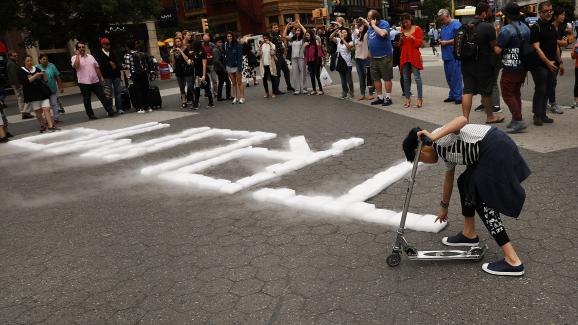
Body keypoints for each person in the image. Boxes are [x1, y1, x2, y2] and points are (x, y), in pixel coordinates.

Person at [403, 115, 530, 276]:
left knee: (482, 198)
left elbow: (462, 120)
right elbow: (448, 179)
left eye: (420, 159)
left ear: (420, 150)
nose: (425, 162)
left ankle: (513, 261)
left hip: (495, 147)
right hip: (490, 151)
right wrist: (444, 207)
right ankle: (469, 234)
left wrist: (434, 136)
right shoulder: (442, 152)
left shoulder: (439, 139)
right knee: (465, 182)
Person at [459, 2, 503, 124]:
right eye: (488, 11)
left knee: (467, 91)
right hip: (483, 65)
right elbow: (494, 47)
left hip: (467, 64)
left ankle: (465, 119)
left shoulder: (466, 25)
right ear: (484, 13)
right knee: (486, 92)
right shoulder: (488, 27)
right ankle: (490, 117)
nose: (489, 13)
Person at [494, 2, 530, 133]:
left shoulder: (506, 29)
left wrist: (496, 36)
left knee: (507, 94)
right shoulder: (526, 28)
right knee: (516, 93)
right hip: (523, 66)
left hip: (510, 66)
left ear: (507, 15)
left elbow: (497, 50)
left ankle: (518, 120)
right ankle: (516, 119)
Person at [530, 1, 562, 126]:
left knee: (548, 88)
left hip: (551, 63)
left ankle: (543, 114)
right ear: (539, 13)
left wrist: (560, 62)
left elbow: (555, 46)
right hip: (539, 64)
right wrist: (547, 62)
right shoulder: (536, 27)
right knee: (541, 88)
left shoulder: (552, 26)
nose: (549, 13)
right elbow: (537, 48)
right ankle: (537, 115)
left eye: (550, 11)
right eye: (545, 11)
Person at [71, 41, 115, 119]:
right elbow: (76, 66)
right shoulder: (74, 57)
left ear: (85, 48)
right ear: (77, 49)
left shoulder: (90, 56)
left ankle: (110, 110)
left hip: (95, 80)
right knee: (87, 100)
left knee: (102, 96)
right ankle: (91, 115)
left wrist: (101, 77)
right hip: (83, 82)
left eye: (83, 47)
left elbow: (97, 67)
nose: (81, 48)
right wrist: (77, 55)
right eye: (79, 47)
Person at [20, 55, 58, 132]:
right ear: (24, 62)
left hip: (42, 91)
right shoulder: (21, 70)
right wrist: (36, 75)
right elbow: (25, 82)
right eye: (28, 61)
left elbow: (45, 80)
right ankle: (42, 125)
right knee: (38, 111)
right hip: (32, 94)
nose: (30, 62)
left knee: (46, 108)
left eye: (31, 60)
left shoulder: (36, 68)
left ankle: (50, 125)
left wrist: (43, 75)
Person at [363, 10, 393, 106]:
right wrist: (368, 51)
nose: (368, 18)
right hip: (374, 57)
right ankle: (380, 97)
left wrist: (374, 25)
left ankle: (388, 97)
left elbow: (383, 34)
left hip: (384, 56)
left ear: (375, 18)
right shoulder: (370, 27)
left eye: (369, 17)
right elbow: (370, 39)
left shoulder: (384, 23)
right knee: (375, 78)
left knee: (387, 78)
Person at [438, 9, 463, 105]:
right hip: (446, 55)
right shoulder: (444, 26)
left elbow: (459, 38)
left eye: (443, 19)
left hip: (454, 55)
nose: (442, 21)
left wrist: (446, 42)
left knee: (456, 76)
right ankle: (452, 95)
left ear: (448, 16)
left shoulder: (456, 24)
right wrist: (440, 40)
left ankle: (458, 96)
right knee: (449, 77)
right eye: (441, 20)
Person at [93, 38, 124, 114]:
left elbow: (117, 62)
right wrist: (109, 63)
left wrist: (118, 69)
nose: (108, 45)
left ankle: (119, 108)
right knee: (108, 93)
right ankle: (110, 109)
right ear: (103, 45)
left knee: (118, 92)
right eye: (106, 44)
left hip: (115, 75)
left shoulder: (113, 52)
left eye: (109, 44)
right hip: (107, 76)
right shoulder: (99, 54)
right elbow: (99, 65)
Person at [546, 8, 568, 114]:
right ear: (555, 16)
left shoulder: (562, 28)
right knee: (550, 82)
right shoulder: (550, 27)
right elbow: (557, 44)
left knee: (552, 82)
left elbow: (565, 43)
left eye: (564, 15)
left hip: (557, 57)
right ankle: (551, 104)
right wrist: (555, 41)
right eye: (561, 15)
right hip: (549, 58)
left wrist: (555, 40)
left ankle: (548, 103)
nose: (563, 17)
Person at [399, 14, 424, 108]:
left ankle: (419, 98)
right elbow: (401, 45)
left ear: (410, 20)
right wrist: (401, 40)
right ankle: (407, 98)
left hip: (414, 55)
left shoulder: (417, 29)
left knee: (417, 78)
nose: (405, 24)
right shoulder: (402, 30)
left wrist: (411, 37)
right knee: (405, 78)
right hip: (405, 55)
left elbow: (420, 43)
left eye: (407, 21)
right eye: (403, 22)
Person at [124, 41, 151, 113]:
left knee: (138, 90)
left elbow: (128, 68)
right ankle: (148, 107)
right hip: (144, 73)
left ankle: (140, 108)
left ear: (127, 47)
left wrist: (128, 78)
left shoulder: (127, 55)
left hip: (135, 74)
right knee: (145, 89)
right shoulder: (142, 54)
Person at [36, 53, 64, 124]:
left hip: (52, 88)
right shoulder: (37, 67)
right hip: (43, 90)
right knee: (45, 106)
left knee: (54, 104)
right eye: (43, 59)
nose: (45, 60)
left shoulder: (52, 66)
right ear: (40, 60)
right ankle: (47, 119)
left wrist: (60, 86)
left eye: (46, 59)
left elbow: (57, 76)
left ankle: (56, 118)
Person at [7, 51, 33, 119]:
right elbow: (14, 75)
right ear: (10, 56)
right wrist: (17, 85)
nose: (16, 57)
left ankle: (25, 113)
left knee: (21, 98)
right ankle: (25, 112)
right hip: (17, 83)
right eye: (14, 56)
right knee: (23, 98)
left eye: (16, 55)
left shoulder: (13, 63)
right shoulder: (11, 64)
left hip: (17, 83)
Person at [284, 21, 307, 95]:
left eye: (299, 30)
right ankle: (297, 89)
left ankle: (303, 89)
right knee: (295, 74)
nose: (297, 31)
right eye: (296, 30)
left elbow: (306, 32)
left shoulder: (303, 39)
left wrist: (300, 24)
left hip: (301, 58)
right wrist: (287, 26)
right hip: (293, 58)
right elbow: (284, 35)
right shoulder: (292, 38)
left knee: (303, 73)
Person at [330, 28, 354, 99]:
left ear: (348, 33)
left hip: (347, 63)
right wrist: (336, 31)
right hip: (340, 62)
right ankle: (344, 92)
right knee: (343, 80)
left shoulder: (350, 41)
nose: (343, 33)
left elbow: (349, 47)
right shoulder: (338, 40)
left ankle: (351, 93)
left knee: (349, 80)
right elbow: (330, 37)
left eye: (345, 32)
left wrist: (343, 39)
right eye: (342, 32)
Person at [354, 18, 374, 100]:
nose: (359, 27)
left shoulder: (367, 35)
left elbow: (370, 28)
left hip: (366, 59)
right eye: (359, 26)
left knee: (369, 77)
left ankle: (370, 93)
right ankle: (362, 94)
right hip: (358, 59)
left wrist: (364, 21)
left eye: (361, 26)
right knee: (361, 77)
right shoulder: (357, 36)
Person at [170, 37, 194, 108]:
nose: (178, 43)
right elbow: (173, 63)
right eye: (176, 42)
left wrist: (180, 51)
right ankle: (184, 101)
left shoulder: (186, 49)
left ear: (181, 42)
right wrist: (172, 54)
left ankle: (195, 99)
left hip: (186, 70)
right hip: (179, 70)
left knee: (190, 85)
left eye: (179, 41)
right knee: (181, 87)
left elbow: (187, 59)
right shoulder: (174, 51)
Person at [271, 23, 294, 93]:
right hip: (277, 57)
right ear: (272, 29)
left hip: (281, 56)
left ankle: (289, 86)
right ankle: (276, 89)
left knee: (287, 71)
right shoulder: (272, 37)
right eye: (274, 27)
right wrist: (274, 56)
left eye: (277, 27)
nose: (276, 28)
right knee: (278, 74)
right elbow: (271, 47)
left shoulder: (278, 36)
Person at [191, 41, 214, 109]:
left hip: (202, 74)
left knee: (207, 88)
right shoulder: (195, 54)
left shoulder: (203, 53)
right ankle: (196, 104)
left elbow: (204, 64)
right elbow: (194, 64)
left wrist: (204, 75)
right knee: (197, 89)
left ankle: (211, 102)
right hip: (197, 75)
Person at [224, 32, 245, 104]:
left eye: (230, 36)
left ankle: (242, 97)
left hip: (236, 67)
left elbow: (240, 57)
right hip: (229, 66)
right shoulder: (226, 45)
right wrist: (225, 66)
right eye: (228, 36)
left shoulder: (238, 45)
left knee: (239, 82)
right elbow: (225, 56)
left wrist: (239, 67)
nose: (229, 37)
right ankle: (235, 97)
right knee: (233, 83)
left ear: (233, 37)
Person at [304, 30, 324, 95]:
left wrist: (321, 61)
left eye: (308, 35)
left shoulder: (316, 41)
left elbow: (319, 51)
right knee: (312, 76)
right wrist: (304, 46)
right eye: (306, 35)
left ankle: (321, 90)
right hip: (310, 61)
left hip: (316, 61)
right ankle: (314, 90)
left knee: (317, 76)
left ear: (311, 35)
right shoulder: (306, 43)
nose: (307, 37)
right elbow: (305, 53)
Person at [258, 34, 278, 98]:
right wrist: (260, 46)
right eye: (264, 38)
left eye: (266, 38)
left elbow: (273, 53)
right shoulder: (261, 45)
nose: (265, 39)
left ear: (269, 38)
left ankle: (273, 92)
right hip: (263, 65)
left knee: (273, 79)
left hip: (271, 65)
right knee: (264, 79)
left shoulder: (272, 45)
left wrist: (269, 44)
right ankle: (267, 93)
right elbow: (258, 54)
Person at [572, 40, 578, 109]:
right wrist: (575, 52)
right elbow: (573, 57)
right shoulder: (576, 46)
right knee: (577, 84)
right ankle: (576, 101)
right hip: (577, 67)